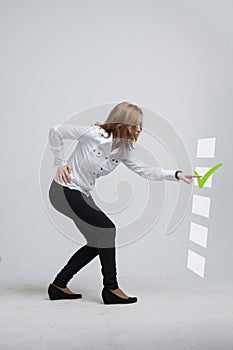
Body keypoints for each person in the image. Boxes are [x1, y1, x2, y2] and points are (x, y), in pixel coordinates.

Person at [47, 101, 200, 305]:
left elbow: (146, 171)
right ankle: (111, 288)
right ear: (124, 122)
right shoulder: (94, 134)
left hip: (81, 192)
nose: (139, 129)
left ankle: (58, 285)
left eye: (141, 126)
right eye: (136, 124)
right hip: (63, 190)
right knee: (107, 230)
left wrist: (177, 174)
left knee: (98, 241)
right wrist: (60, 162)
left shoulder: (123, 150)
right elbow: (56, 131)